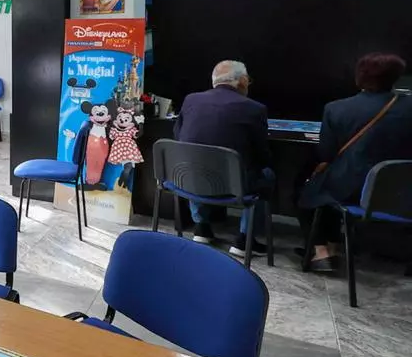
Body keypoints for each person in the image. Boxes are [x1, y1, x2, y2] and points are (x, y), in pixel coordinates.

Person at [299, 53, 412, 272]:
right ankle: (334, 246)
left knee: (307, 190)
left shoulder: (336, 108)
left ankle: (322, 252)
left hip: (352, 189)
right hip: (403, 193)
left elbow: (326, 153)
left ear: (359, 76)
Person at [173, 60, 273, 258]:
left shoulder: (190, 100)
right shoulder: (255, 109)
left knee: (194, 160)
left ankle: (201, 228)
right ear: (242, 81)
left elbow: (178, 138)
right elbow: (262, 156)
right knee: (267, 174)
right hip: (234, 186)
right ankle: (245, 239)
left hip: (188, 179)